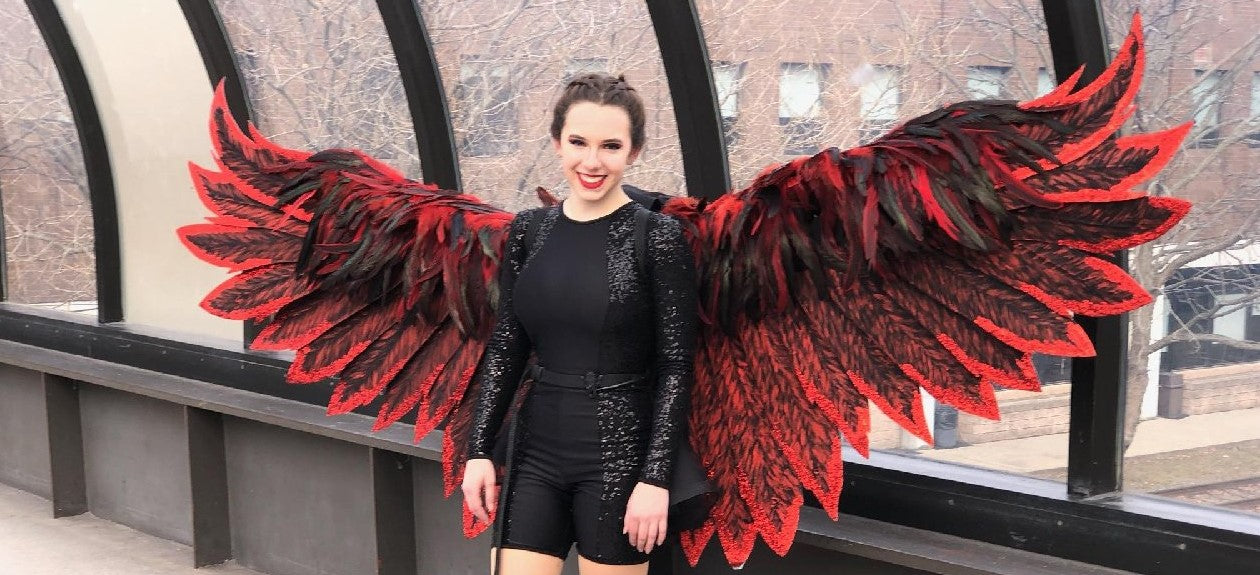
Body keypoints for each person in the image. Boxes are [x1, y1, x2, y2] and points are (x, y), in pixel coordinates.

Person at [460, 73, 699, 575]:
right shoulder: (529, 230)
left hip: (619, 458)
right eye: (578, 142)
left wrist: (655, 480)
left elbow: (676, 367)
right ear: (556, 143)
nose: (592, 162)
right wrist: (478, 451)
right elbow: (507, 347)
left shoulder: (657, 237)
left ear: (634, 152)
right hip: (535, 452)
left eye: (611, 145)